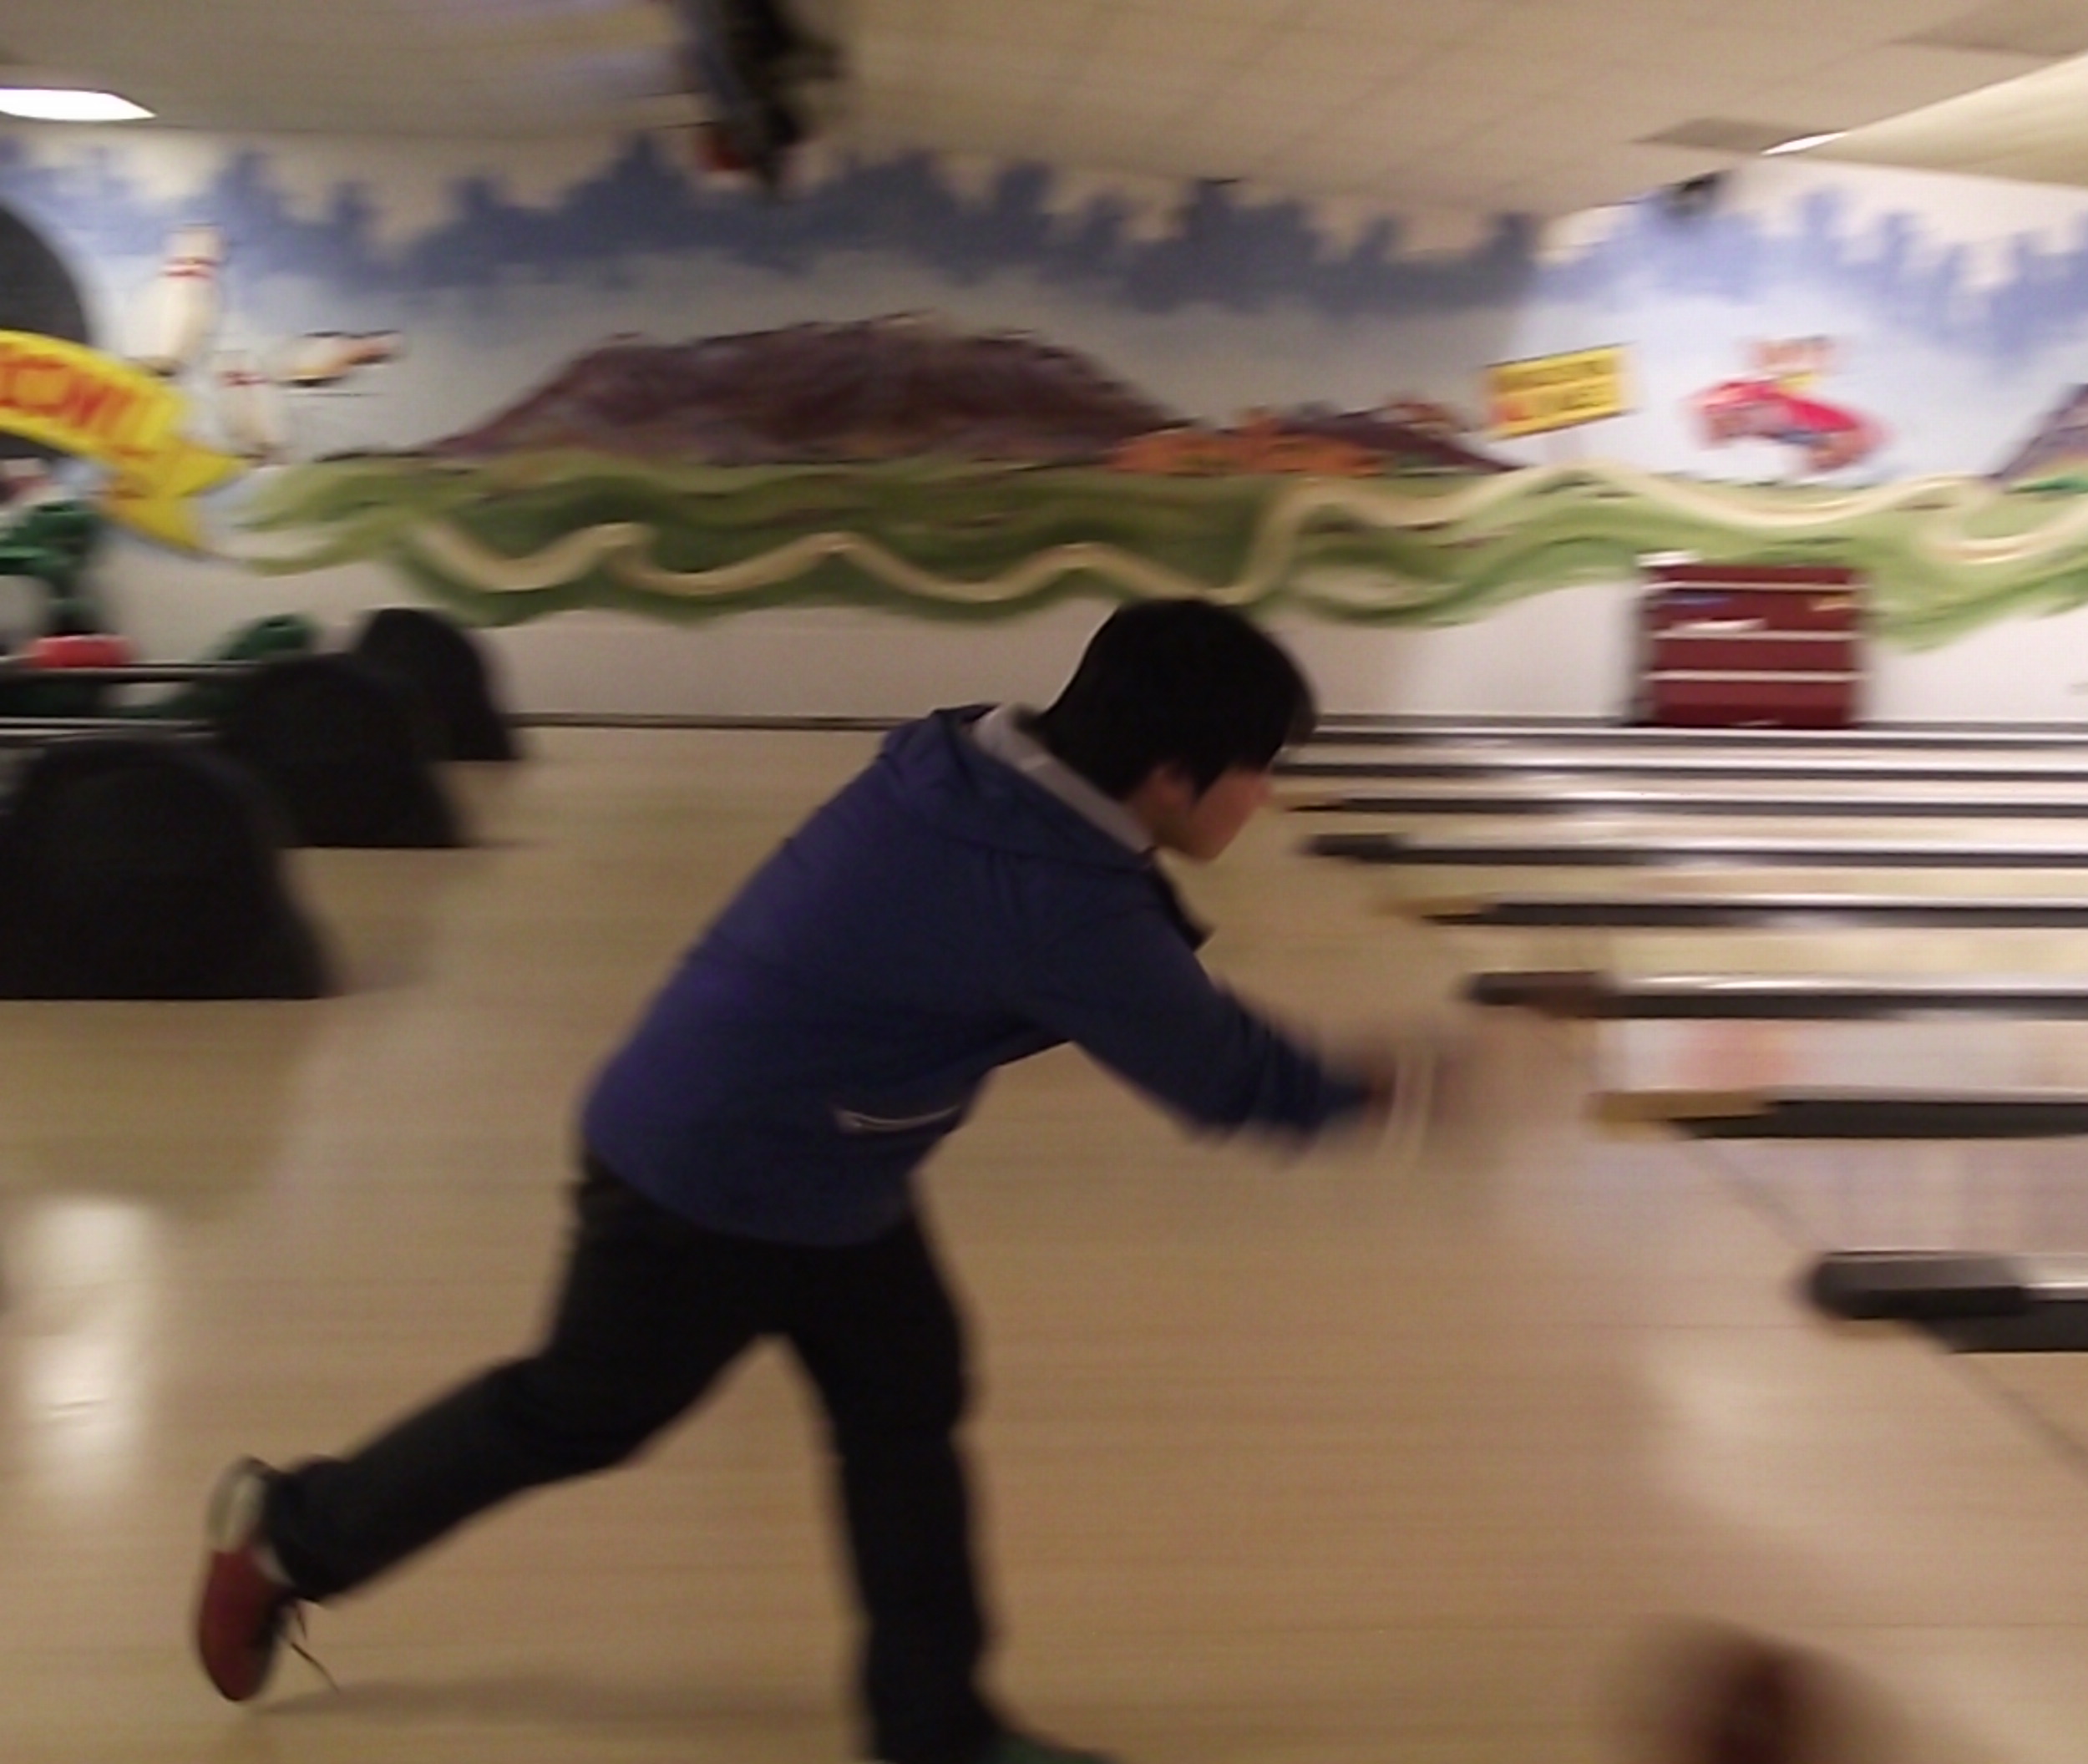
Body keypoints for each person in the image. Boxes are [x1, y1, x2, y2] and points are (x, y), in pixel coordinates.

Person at [194, 599, 1407, 1764]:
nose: (1264, 796)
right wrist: (1397, 1088)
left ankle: (934, 1729)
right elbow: (1223, 1073)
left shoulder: (970, 766)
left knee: (905, 1399)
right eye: (1256, 769)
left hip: (808, 1153)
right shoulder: (1048, 893)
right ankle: (290, 1534)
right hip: (713, 1171)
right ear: (1171, 776)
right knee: (582, 1410)